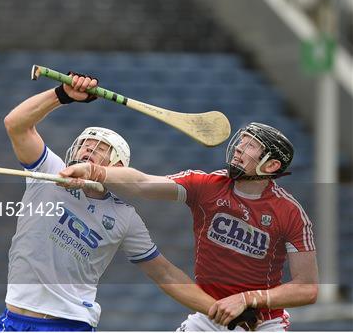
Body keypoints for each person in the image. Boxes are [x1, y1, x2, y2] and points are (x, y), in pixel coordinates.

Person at [0, 73, 248, 331]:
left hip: (68, 323)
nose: (87, 151)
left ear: (117, 166)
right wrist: (62, 95)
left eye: (99, 149)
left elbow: (165, 274)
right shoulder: (49, 172)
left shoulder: (124, 217)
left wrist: (218, 310)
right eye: (85, 144)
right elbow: (15, 124)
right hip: (13, 320)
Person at [60, 120, 319, 331]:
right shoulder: (206, 185)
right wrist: (94, 172)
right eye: (241, 141)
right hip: (210, 315)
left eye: (251, 146)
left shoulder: (291, 214)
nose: (239, 148)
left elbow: (307, 288)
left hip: (262, 322)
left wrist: (247, 299)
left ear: (271, 165)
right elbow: (142, 183)